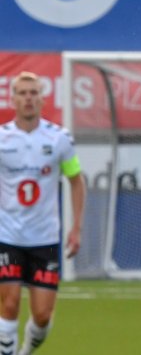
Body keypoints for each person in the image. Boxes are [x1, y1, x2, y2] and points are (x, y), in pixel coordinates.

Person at [0, 72, 86, 355]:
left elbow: (76, 180)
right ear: (12, 99)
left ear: (42, 99)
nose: (28, 98)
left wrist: (76, 228)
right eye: (22, 93)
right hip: (7, 235)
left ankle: (24, 351)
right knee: (9, 305)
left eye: (33, 93)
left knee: (42, 316)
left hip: (45, 239)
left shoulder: (60, 139)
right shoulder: (1, 139)